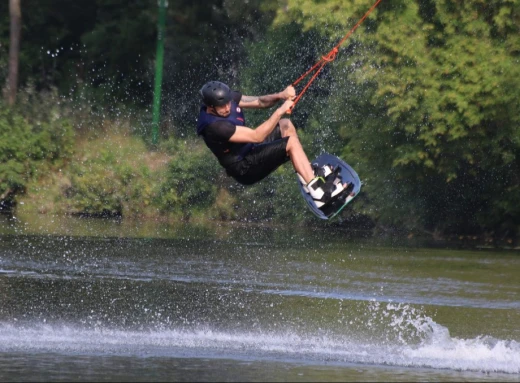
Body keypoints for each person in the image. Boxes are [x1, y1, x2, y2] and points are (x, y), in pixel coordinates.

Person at [196, 81, 348, 209]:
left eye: (228, 103)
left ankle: (308, 176)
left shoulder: (228, 98)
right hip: (244, 168)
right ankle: (319, 195)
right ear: (210, 107)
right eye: (222, 107)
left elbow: (261, 102)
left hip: (251, 150)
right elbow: (257, 136)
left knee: (285, 125)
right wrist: (280, 110)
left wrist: (281, 95)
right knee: (291, 143)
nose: (228, 108)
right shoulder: (214, 127)